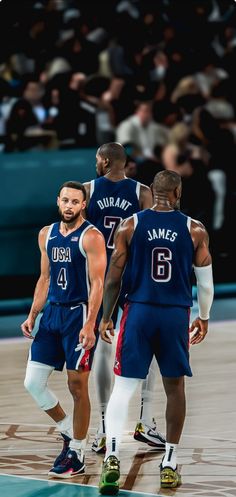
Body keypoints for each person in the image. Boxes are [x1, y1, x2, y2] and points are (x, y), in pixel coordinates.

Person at [98, 170, 214, 493]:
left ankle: (111, 457)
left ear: (152, 191)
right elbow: (206, 283)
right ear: (177, 193)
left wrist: (107, 316)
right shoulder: (195, 229)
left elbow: (112, 277)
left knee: (123, 387)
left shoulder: (130, 225)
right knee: (175, 388)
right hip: (175, 314)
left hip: (138, 312)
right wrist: (203, 317)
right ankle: (169, 462)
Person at [83, 142, 166, 454]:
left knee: (102, 350)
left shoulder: (88, 190)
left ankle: (104, 427)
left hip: (100, 278)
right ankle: (144, 419)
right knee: (151, 344)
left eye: (96, 159)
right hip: (135, 277)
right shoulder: (142, 192)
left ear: (104, 161)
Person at [21, 181, 107, 478]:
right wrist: (33, 314)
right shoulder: (46, 234)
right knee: (33, 382)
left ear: (83, 205)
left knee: (77, 386)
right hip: (52, 315)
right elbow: (44, 278)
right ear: (58, 201)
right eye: (65, 200)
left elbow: (98, 284)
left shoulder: (92, 236)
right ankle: (70, 431)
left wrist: (91, 323)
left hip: (78, 315)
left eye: (75, 202)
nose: (69, 206)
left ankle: (78, 454)